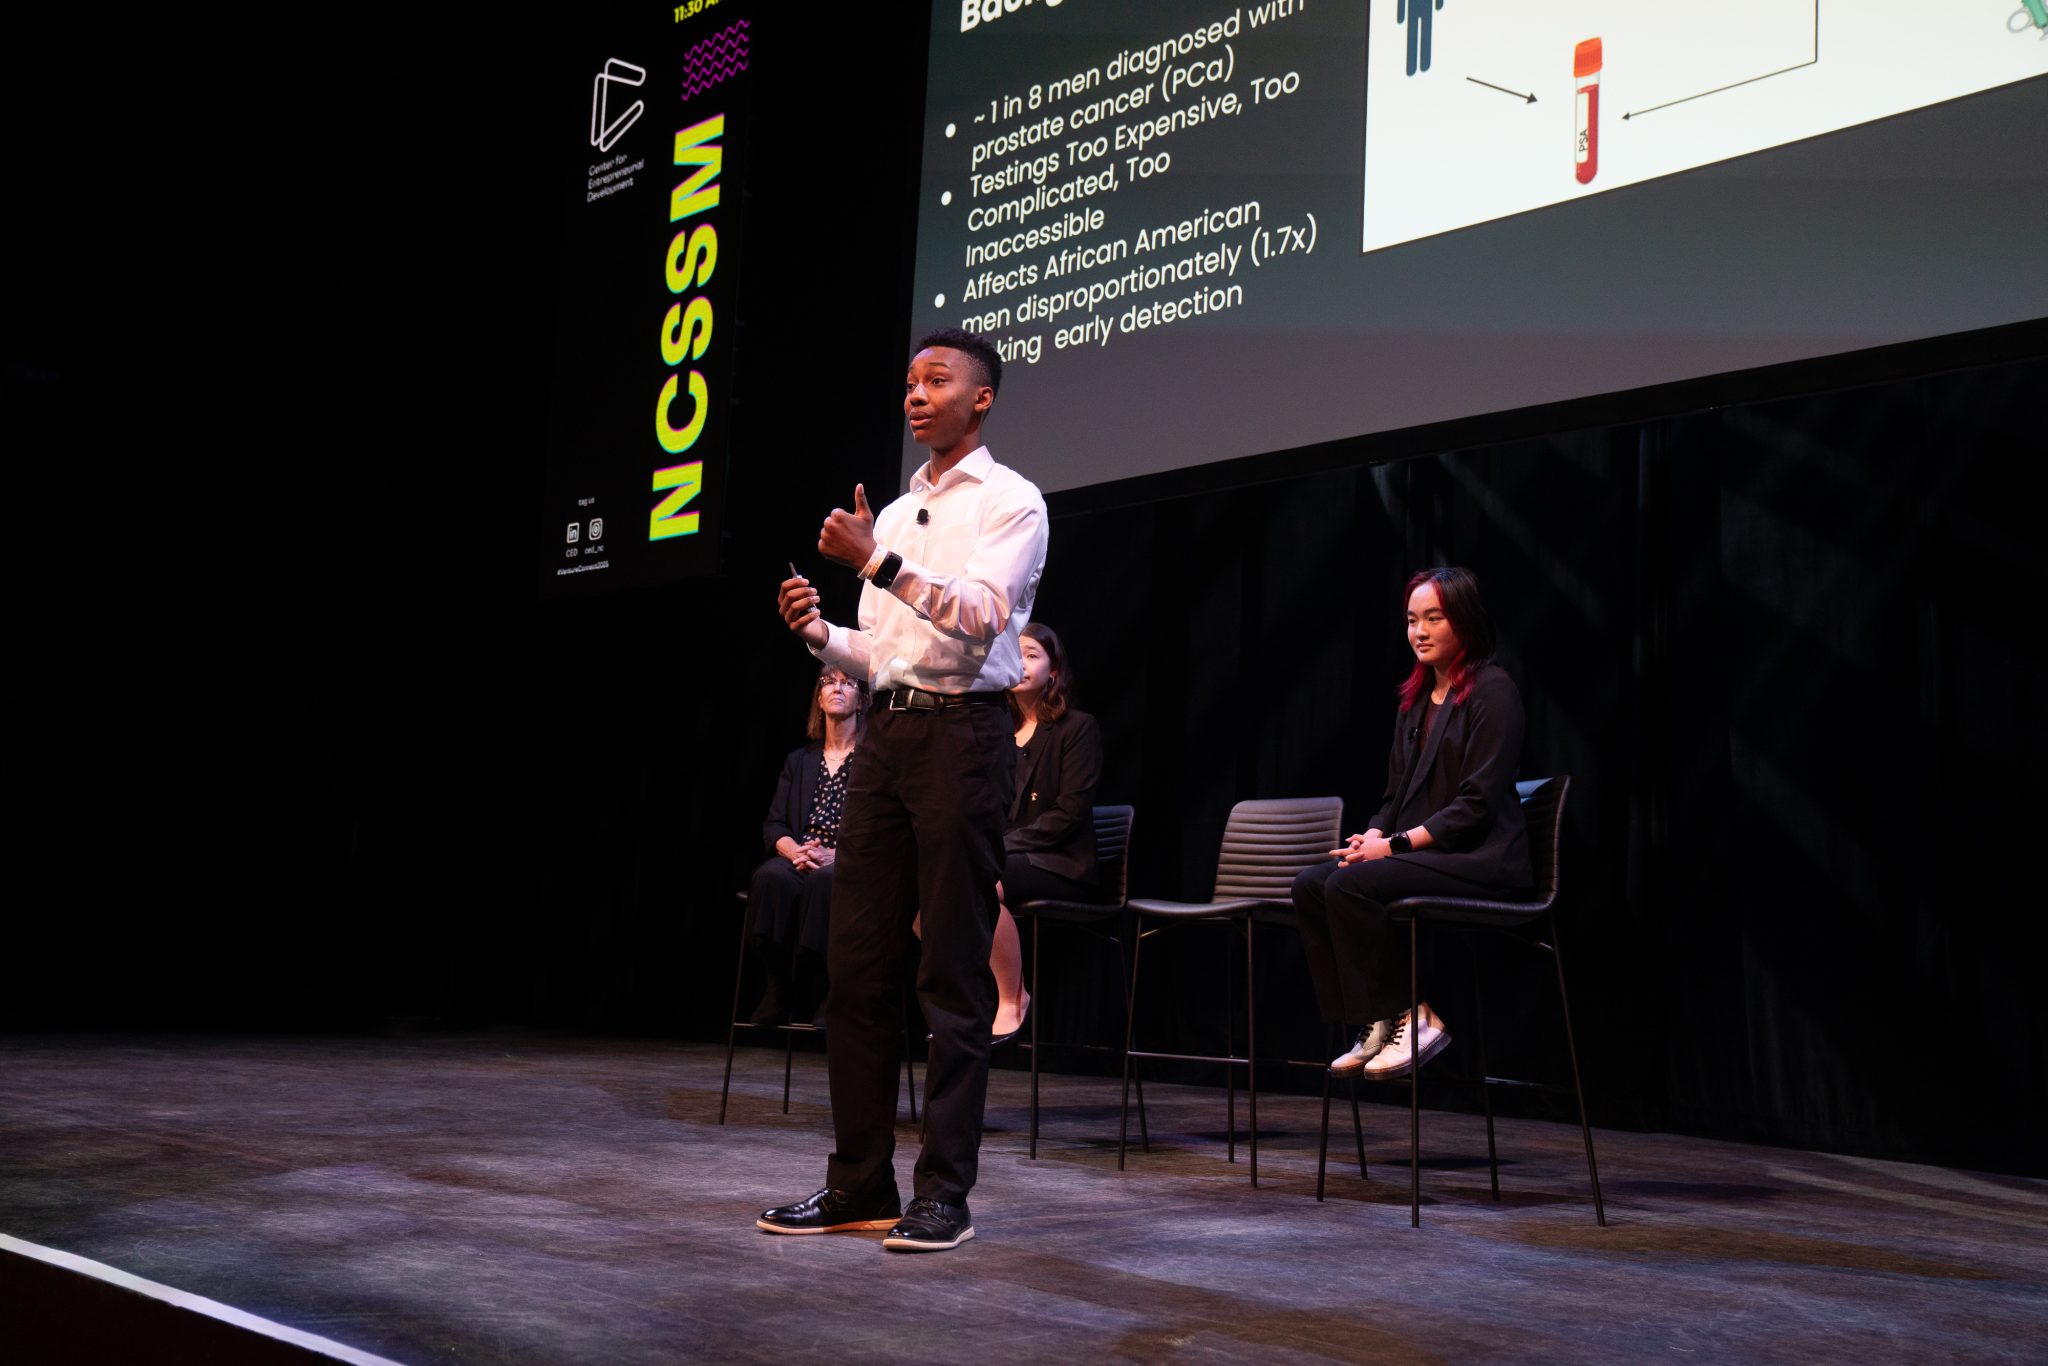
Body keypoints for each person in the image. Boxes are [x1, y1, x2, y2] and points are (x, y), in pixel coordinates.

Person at [761, 328, 1048, 1253]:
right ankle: (859, 1183)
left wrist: (875, 563)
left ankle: (944, 1195)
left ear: (982, 398)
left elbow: (981, 617)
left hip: (965, 737)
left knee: (951, 975)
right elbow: (882, 653)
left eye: (937, 380)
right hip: (889, 737)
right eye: (911, 382)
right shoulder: (887, 514)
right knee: (856, 969)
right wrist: (818, 632)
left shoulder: (1012, 501)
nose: (916, 395)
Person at [1290, 567, 1532, 1079]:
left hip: (1481, 858)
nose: (1418, 632)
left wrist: (1394, 846)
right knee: (1311, 885)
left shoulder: (1493, 691)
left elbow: (1475, 805)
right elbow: (1394, 795)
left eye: (1433, 618)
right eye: (1411, 620)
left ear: (1464, 620)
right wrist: (1375, 834)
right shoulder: (1416, 701)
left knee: (1350, 887)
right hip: (1432, 854)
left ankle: (1412, 1015)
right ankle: (1376, 1016)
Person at [988, 623, 1103, 1042]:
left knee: (980, 880)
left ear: (1054, 671)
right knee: (928, 886)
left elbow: (1068, 815)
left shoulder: (1078, 728)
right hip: (1006, 857)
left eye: (1032, 655)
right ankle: (961, 997)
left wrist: (997, 847)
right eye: (1014, 653)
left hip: (1060, 863)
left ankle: (1011, 997)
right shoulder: (996, 732)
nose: (1020, 663)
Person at [746, 664, 868, 1026]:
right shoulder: (799, 761)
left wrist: (838, 855)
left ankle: (827, 988)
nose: (837, 688)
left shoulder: (873, 762)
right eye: (828, 682)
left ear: (862, 700)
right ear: (819, 698)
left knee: (824, 882)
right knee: (770, 877)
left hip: (845, 861)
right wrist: (793, 850)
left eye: (848, 683)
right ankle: (778, 986)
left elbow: (880, 831)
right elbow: (774, 824)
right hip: (799, 856)